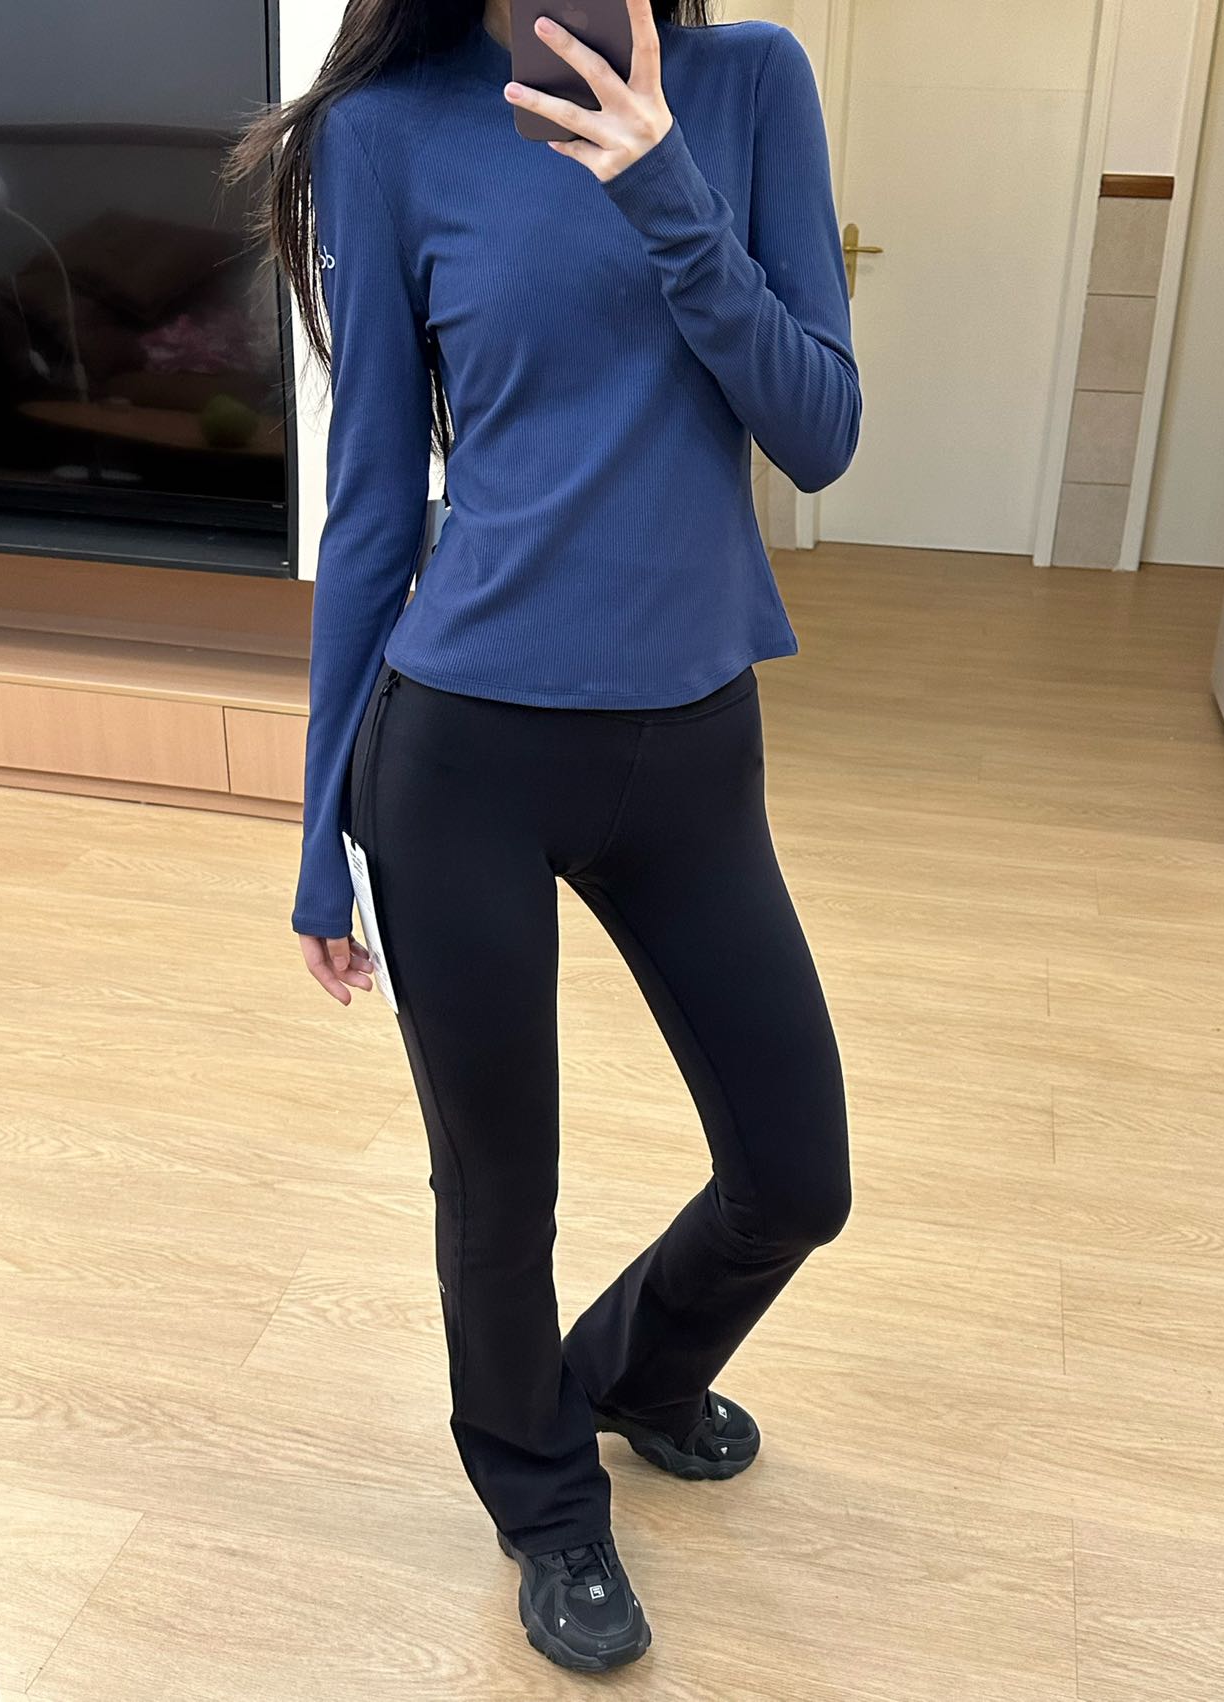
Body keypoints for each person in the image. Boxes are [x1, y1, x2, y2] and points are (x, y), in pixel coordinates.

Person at [228, 0, 860, 1672]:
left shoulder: (749, 86)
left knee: (798, 1172)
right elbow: (375, 496)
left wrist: (665, 189)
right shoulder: (386, 133)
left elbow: (821, 429)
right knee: (501, 1191)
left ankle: (637, 1372)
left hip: (694, 746)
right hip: (464, 758)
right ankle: (545, 1502)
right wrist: (319, 829)